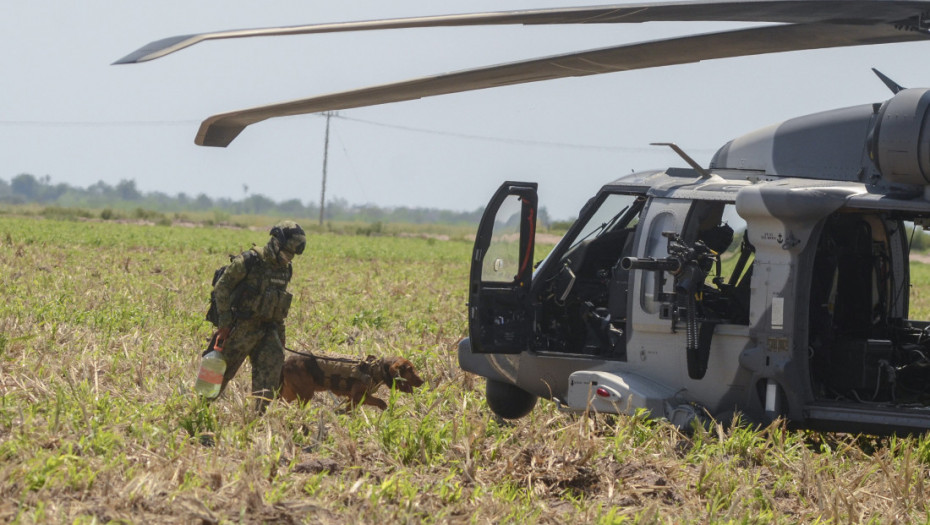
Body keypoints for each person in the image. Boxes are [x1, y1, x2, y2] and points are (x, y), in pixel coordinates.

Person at [211, 220, 306, 412]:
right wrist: (225, 323)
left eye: (292, 256)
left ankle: (259, 419)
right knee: (217, 373)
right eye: (287, 253)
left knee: (271, 373)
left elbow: (278, 304)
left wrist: (280, 336)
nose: (288, 259)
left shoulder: (285, 270)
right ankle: (199, 411)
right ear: (276, 243)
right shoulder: (249, 261)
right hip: (240, 328)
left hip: (268, 329)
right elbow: (222, 288)